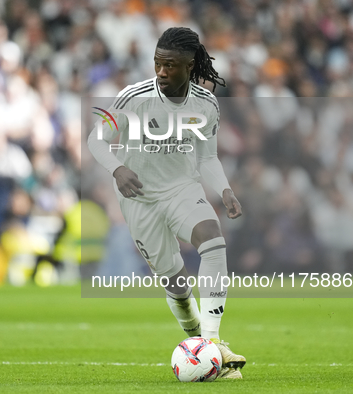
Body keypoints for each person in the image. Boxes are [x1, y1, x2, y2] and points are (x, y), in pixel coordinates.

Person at [87, 27, 245, 379]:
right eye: (158, 63)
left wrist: (225, 190)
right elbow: (96, 140)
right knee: (175, 282)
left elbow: (207, 158)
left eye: (170, 65)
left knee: (213, 240)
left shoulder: (206, 104)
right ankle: (198, 340)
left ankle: (212, 342)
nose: (161, 71)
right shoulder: (133, 97)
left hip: (181, 189)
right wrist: (117, 169)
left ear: (190, 66)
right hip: (140, 198)